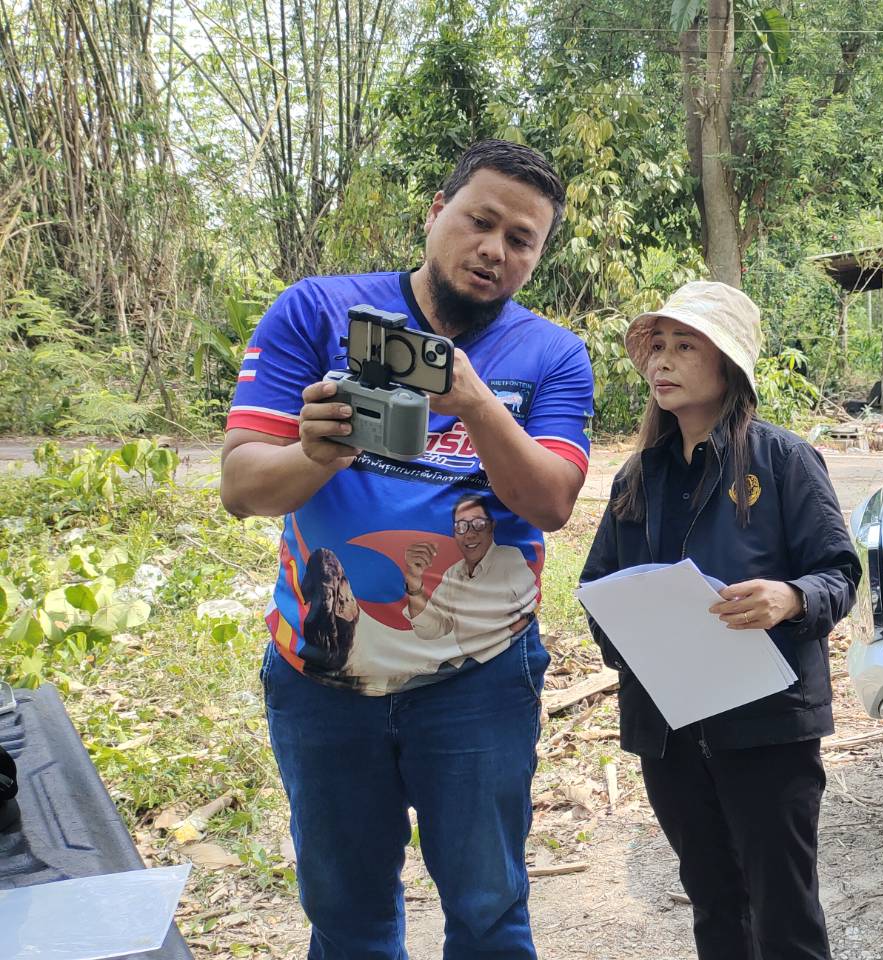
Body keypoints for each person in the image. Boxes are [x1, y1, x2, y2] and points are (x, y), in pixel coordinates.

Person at [219, 139, 594, 958]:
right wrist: (313, 454)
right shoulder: (317, 312)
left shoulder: (553, 354)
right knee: (348, 915)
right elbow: (242, 486)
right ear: (437, 213)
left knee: (490, 909)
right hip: (322, 676)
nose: (495, 249)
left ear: (537, 256)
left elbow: (552, 502)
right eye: (480, 221)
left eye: (522, 239)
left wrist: (476, 402)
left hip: (481, 679)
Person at [579, 280, 861, 960]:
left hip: (766, 725)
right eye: (657, 348)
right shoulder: (636, 478)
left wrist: (790, 599)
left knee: (783, 909)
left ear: (728, 364)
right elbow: (596, 588)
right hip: (668, 731)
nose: (662, 363)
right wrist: (637, 632)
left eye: (684, 346)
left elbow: (839, 573)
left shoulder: (784, 460)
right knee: (712, 901)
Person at [403, 494, 539, 651]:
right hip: (461, 663)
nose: (469, 534)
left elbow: (532, 605)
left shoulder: (507, 558)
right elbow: (432, 629)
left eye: (479, 524)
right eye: (460, 526)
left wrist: (509, 637)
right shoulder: (453, 573)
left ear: (492, 526)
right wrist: (414, 581)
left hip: (501, 659)